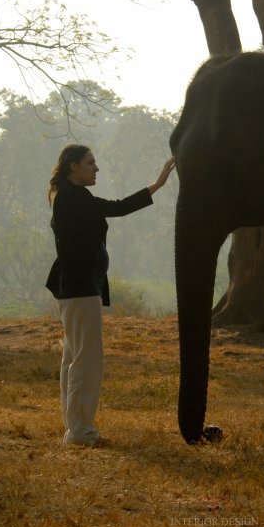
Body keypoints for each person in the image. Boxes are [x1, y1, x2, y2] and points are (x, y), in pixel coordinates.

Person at [46, 144, 176, 446]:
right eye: (91, 163)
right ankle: (80, 432)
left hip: (75, 288)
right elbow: (117, 207)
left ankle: (75, 427)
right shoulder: (74, 198)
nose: (96, 169)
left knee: (74, 357)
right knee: (86, 360)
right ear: (73, 167)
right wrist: (157, 184)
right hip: (79, 289)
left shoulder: (69, 197)